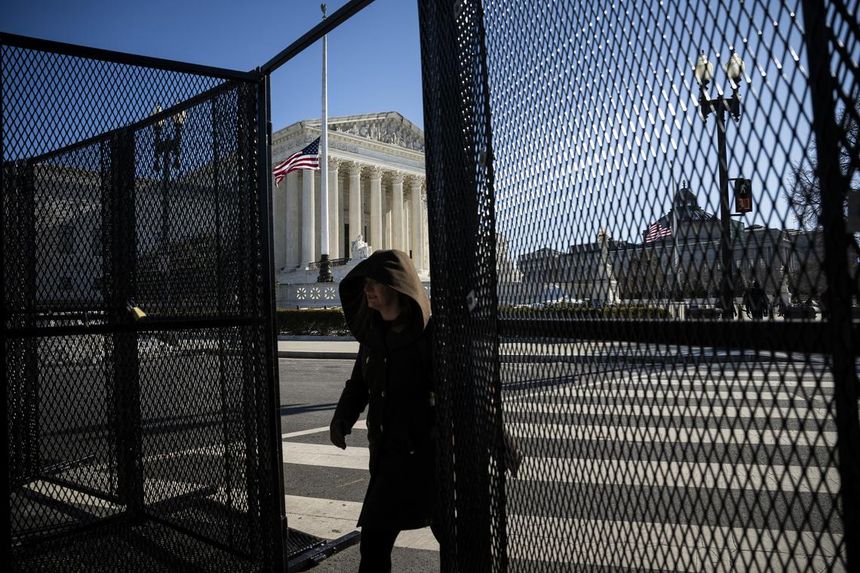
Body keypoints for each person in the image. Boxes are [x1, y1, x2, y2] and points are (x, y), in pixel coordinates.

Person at [329, 249, 436, 572]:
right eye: (365, 282)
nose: (367, 289)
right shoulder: (373, 335)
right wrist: (342, 419)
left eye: (375, 282)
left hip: (433, 461)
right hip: (389, 459)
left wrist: (498, 440)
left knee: (456, 540)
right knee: (373, 546)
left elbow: (467, 391)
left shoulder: (431, 337)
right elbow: (360, 382)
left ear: (397, 286)